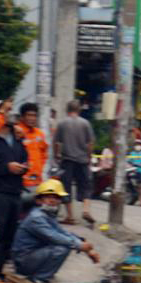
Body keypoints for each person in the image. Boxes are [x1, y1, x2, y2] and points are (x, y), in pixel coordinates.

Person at [11, 180, 100, 283]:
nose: (52, 200)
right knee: (62, 247)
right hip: (24, 260)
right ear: (39, 200)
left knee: (65, 243)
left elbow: (62, 232)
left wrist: (84, 246)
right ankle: (39, 279)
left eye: (56, 198)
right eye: (48, 197)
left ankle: (42, 276)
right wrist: (79, 245)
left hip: (32, 256)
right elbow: (54, 236)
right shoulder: (37, 217)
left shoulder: (47, 214)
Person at [0, 104, 31, 278]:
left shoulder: (17, 139)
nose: (11, 114)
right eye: (6, 111)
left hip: (15, 192)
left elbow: (25, 157)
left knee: (9, 235)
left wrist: (24, 167)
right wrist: (6, 168)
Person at [52, 97, 97, 226]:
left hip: (67, 160)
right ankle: (86, 210)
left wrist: (56, 155)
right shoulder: (85, 123)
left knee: (66, 188)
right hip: (82, 160)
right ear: (79, 110)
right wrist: (88, 157)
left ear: (67, 110)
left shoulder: (62, 123)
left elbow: (56, 142)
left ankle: (70, 216)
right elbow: (90, 143)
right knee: (86, 186)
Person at [12, 102, 49, 189]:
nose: (32, 118)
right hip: (20, 182)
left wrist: (39, 168)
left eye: (34, 116)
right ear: (22, 117)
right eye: (29, 115)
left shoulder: (40, 134)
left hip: (37, 180)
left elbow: (44, 154)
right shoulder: (16, 132)